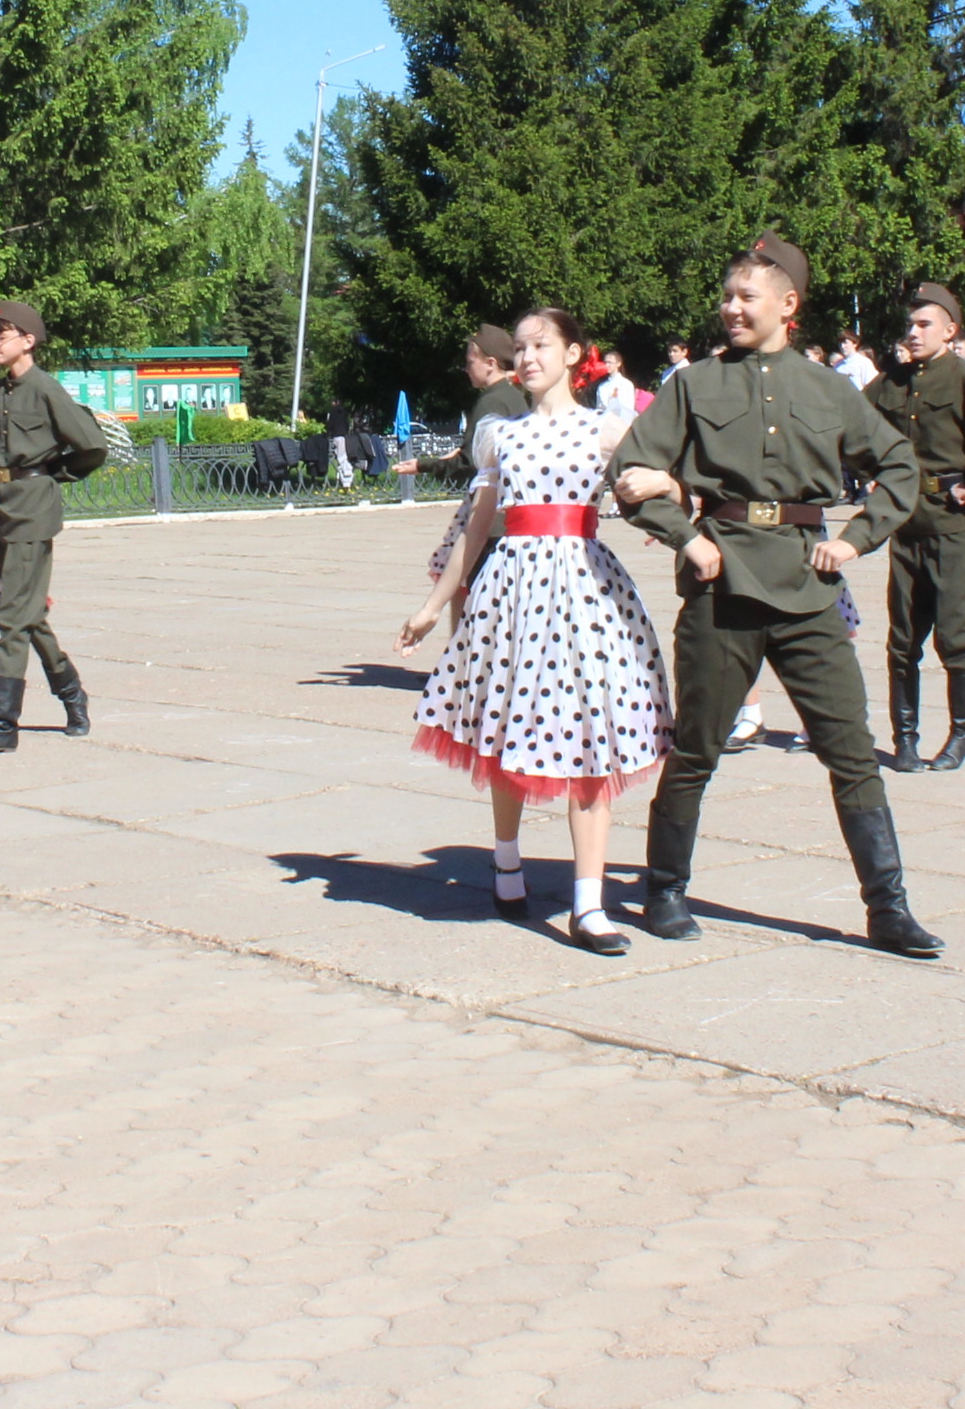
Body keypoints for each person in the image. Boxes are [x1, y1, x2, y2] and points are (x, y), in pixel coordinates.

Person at [608, 236, 936, 957]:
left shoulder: (829, 390)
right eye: (726, 296)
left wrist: (855, 539)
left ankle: (888, 907)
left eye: (745, 297)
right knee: (696, 749)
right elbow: (632, 468)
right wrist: (686, 539)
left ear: (789, 305)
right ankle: (664, 888)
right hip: (722, 586)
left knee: (849, 750)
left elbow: (899, 465)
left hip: (809, 589)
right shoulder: (692, 384)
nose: (730, 308)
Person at [400, 305, 667, 956]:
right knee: (509, 731)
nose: (527, 357)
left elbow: (664, 472)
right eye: (520, 347)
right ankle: (508, 862)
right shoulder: (501, 437)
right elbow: (475, 525)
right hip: (512, 594)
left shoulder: (607, 430)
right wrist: (435, 604)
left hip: (585, 590)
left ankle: (588, 903)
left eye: (540, 345)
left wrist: (665, 483)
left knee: (593, 740)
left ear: (575, 355)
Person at [866, 282, 965, 774]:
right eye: (909, 325)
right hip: (908, 524)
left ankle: (960, 734)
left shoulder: (964, 378)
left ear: (950, 331)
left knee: (955, 640)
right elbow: (850, 424)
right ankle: (905, 739)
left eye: (923, 325)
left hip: (956, 527)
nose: (912, 333)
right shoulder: (890, 381)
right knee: (902, 641)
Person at [0, 299, 111, 756]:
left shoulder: (46, 389)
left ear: (28, 340)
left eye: (1, 335)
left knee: (12, 619)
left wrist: (54, 475)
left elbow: (91, 446)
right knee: (28, 614)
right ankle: (72, 694)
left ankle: (2, 724)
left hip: (33, 511)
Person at [425, 325, 527, 585]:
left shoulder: (491, 402)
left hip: (490, 519)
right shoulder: (513, 397)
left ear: (490, 363)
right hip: (515, 515)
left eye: (470, 362)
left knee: (470, 595)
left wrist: (422, 465)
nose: (466, 369)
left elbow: (472, 463)